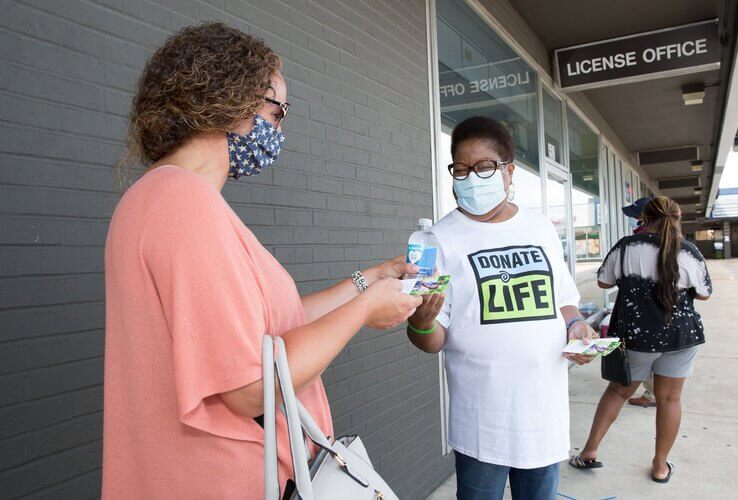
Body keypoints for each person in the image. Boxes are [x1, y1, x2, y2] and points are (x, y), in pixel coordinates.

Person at [102, 23, 422, 498]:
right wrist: (365, 309)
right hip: (224, 479)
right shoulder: (183, 206)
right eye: (278, 111)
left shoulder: (162, 198)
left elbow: (270, 333)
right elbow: (252, 387)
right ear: (231, 102)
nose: (279, 129)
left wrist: (367, 281)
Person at [406, 116, 596, 500]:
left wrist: (577, 328)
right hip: (482, 424)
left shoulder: (540, 227)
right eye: (461, 170)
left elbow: (564, 301)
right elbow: (430, 340)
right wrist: (422, 321)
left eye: (484, 167)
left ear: (509, 172)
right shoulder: (439, 240)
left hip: (544, 415)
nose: (471, 178)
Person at [569, 196, 712, 483]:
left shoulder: (627, 247)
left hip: (636, 336)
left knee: (618, 392)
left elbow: (603, 281)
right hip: (680, 336)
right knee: (670, 399)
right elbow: (704, 293)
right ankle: (660, 466)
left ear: (644, 219)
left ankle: (589, 452)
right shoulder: (690, 252)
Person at [622, 197, 657, 408]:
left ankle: (652, 395)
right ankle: (655, 393)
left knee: (646, 353)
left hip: (645, 307)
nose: (634, 218)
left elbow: (605, 279)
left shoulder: (641, 240)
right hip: (662, 307)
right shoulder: (671, 239)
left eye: (637, 214)